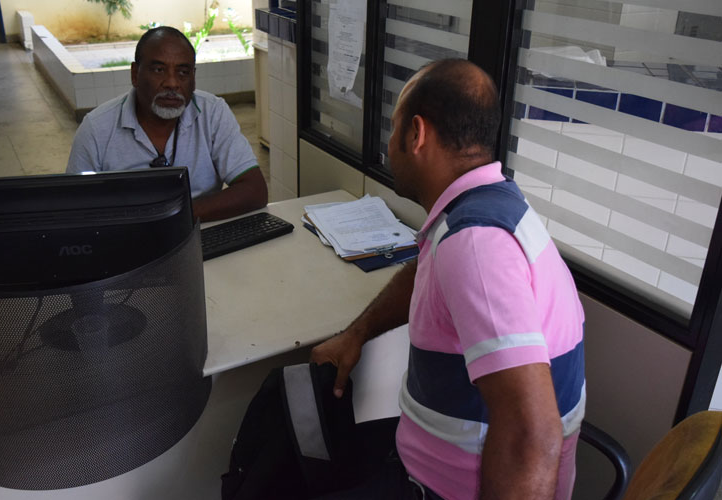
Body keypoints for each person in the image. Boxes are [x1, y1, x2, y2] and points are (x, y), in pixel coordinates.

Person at [311, 59, 585, 499]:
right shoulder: (488, 205)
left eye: (394, 127)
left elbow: (530, 435)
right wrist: (357, 332)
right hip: (424, 458)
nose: (388, 142)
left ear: (416, 134)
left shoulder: (475, 244)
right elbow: (426, 271)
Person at [66, 26, 267, 222]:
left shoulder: (212, 113)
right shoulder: (96, 128)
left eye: (183, 72)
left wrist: (174, 216)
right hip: (127, 242)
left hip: (197, 231)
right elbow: (74, 209)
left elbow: (254, 190)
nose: (172, 83)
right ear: (135, 74)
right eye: (159, 70)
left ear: (194, 79)